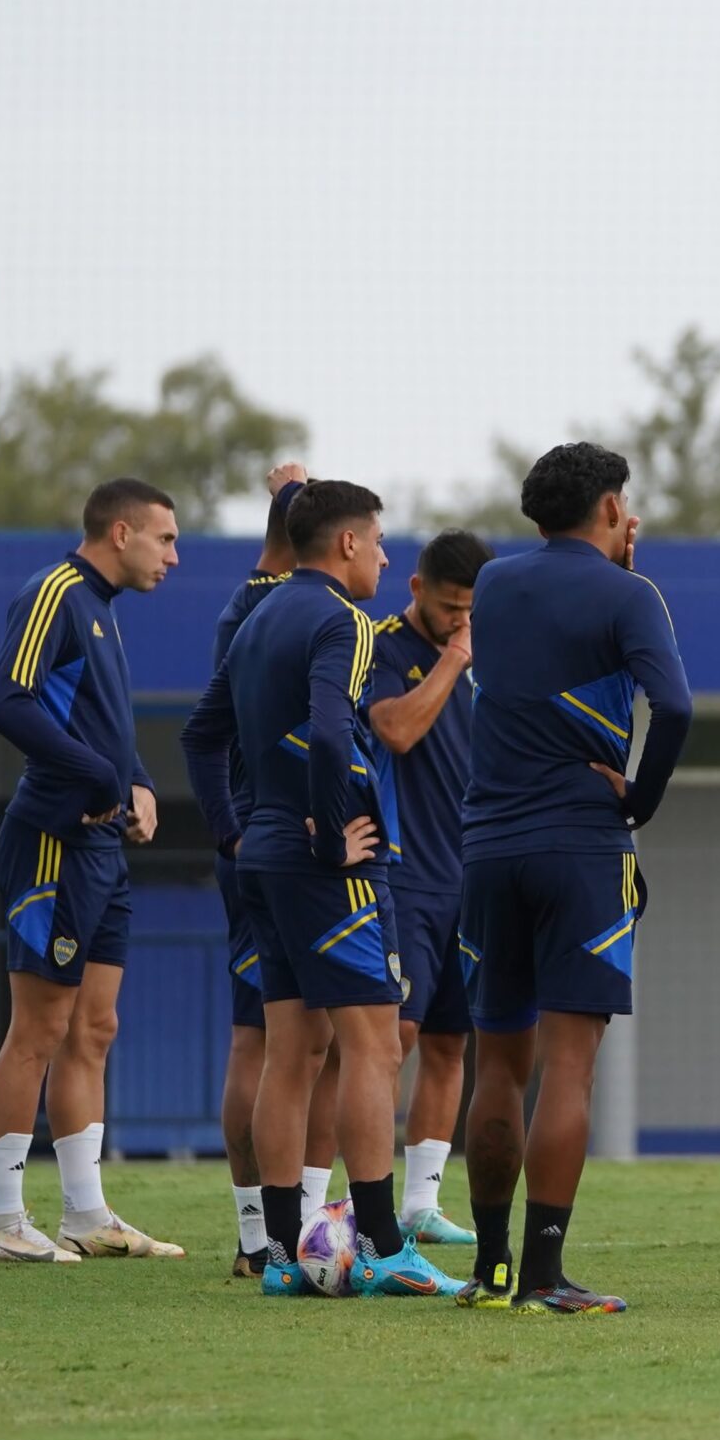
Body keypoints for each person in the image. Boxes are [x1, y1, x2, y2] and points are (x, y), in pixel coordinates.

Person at [182, 478, 458, 1296]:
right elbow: (336, 736)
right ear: (345, 545)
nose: (383, 554)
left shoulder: (260, 613)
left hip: (262, 859)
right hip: (320, 867)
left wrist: (235, 830)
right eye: (377, 541)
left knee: (291, 1051)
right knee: (374, 1046)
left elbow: (202, 737)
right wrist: (334, 833)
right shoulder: (343, 622)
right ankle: (381, 1247)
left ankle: (276, 1257)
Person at [457, 443, 692, 1314]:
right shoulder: (630, 594)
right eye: (624, 504)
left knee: (497, 1067)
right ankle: (547, 1277)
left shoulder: (491, 587)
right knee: (569, 1068)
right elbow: (675, 706)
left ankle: (490, 1273)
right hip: (580, 846)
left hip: (487, 847)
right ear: (607, 509)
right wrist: (641, 798)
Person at [0, 478, 186, 1263]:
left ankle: (86, 1215)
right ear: (120, 531)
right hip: (54, 840)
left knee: (95, 1028)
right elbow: (8, 700)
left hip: (102, 848)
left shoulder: (105, 610)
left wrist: (137, 780)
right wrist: (98, 777)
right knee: (39, 1029)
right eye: (164, 538)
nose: (174, 554)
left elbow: (100, 718)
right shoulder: (55, 591)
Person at [207, 463, 349, 1275]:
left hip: (256, 839)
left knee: (278, 1037)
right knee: (286, 1039)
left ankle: (275, 1235)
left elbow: (203, 731)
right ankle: (277, 1233)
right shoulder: (286, 608)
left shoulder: (255, 609)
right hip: (289, 840)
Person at [359, 528, 491, 1247]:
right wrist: (452, 659)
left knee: (450, 1041)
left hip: (473, 875)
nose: (461, 623)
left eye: (473, 611)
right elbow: (397, 732)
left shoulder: (491, 653)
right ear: (416, 590)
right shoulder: (382, 647)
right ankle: (360, 1203)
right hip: (405, 876)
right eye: (449, 609)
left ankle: (421, 1205)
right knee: (391, 1040)